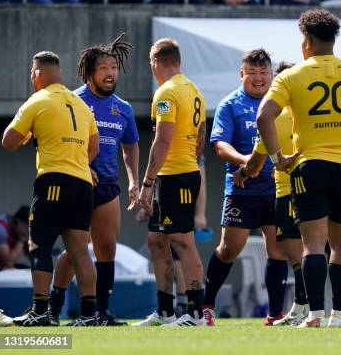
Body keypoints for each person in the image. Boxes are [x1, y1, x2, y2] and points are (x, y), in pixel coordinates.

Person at [256, 9, 341, 328]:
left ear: (306, 41)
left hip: (309, 166)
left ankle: (315, 314)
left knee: (313, 244)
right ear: (334, 39)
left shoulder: (291, 76)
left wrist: (278, 159)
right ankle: (340, 315)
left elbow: (264, 116)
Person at [47, 34, 139, 327]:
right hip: (78, 184)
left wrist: (134, 180)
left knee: (107, 249)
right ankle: (53, 307)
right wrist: (82, 168)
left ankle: (100, 312)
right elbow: (59, 143)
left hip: (109, 186)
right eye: (104, 68)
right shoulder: (72, 101)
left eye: (114, 67)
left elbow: (131, 146)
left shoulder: (123, 108)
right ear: (90, 72)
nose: (111, 73)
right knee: (75, 249)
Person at [2, 51, 99, 326]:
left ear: (37, 74)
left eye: (32, 73)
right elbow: (95, 147)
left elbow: (8, 141)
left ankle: (41, 311)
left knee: (40, 245)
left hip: (54, 180)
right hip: (83, 184)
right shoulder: (81, 104)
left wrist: (28, 134)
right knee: (80, 251)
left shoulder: (38, 99)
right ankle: (89, 315)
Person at [203, 49, 288, 327]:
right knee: (230, 248)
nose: (259, 78)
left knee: (277, 249)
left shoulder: (280, 103)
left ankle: (275, 314)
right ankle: (206, 306)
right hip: (242, 187)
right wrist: (245, 162)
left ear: (272, 75)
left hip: (275, 186)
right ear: (242, 75)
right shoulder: (230, 104)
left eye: (264, 73)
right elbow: (219, 145)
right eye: (252, 73)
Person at [135, 38, 207, 327]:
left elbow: (162, 140)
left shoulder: (166, 92)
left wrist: (147, 182)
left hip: (174, 175)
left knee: (183, 242)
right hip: (182, 171)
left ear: (155, 63)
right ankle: (164, 312)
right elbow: (201, 135)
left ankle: (195, 313)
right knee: (156, 240)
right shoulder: (194, 90)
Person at [233, 60, 308, 326]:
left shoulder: (274, 117)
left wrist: (242, 174)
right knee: (320, 249)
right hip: (320, 187)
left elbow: (255, 161)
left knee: (296, 255)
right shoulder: (311, 112)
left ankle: (307, 309)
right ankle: (320, 310)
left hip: (289, 191)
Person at [0, 206, 30, 270]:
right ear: (18, 221)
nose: (28, 230)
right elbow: (8, 263)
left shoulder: (17, 228)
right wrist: (21, 241)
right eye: (27, 227)